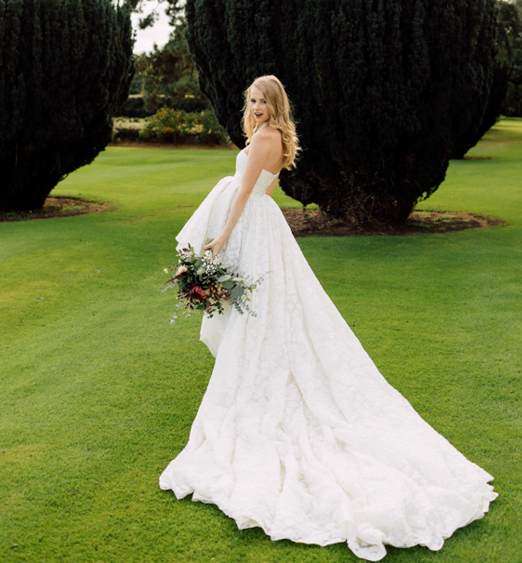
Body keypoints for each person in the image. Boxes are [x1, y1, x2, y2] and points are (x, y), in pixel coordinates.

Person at [159, 75, 496, 560]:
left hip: (249, 226)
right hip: (265, 227)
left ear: (274, 105)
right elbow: (266, 192)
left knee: (264, 316)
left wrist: (223, 238)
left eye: (261, 101)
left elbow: (245, 194)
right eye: (250, 101)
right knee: (269, 312)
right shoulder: (275, 137)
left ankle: (262, 386)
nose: (254, 107)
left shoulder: (265, 138)